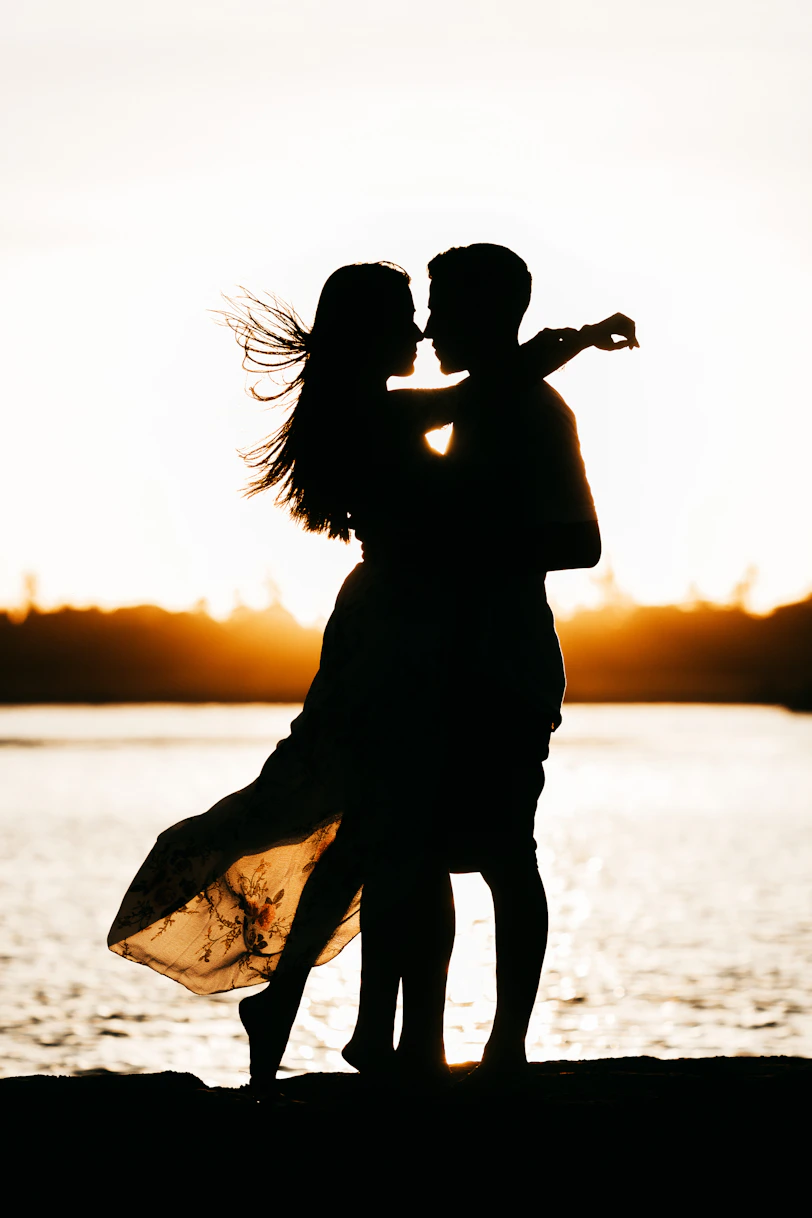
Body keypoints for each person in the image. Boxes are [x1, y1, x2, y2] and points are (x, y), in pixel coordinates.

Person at [107, 258, 635, 1092]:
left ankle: (341, 1022)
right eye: (410, 317)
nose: (423, 333)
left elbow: (500, 433)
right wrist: (570, 343)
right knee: (386, 833)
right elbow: (475, 400)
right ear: (372, 333)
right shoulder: (382, 414)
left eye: (434, 311)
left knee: (383, 833)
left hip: (409, 630)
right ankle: (356, 1025)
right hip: (397, 636)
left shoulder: (382, 410)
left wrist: (564, 348)